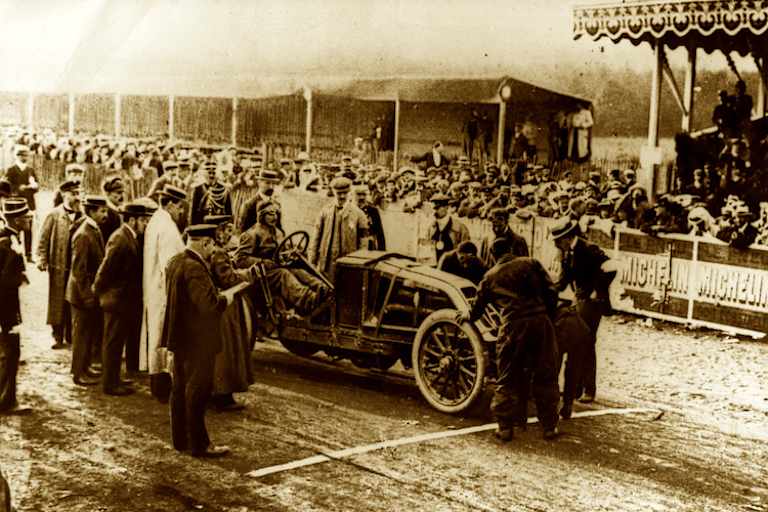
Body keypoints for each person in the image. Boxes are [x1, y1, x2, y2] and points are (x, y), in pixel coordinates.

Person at [457, 238, 560, 441]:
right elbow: (551, 291)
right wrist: (545, 314)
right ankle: (549, 427)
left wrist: (467, 315)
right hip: (540, 323)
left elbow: (477, 308)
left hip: (513, 327)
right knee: (545, 374)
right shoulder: (531, 263)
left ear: (493, 255)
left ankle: (505, 428)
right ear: (511, 250)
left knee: (507, 376)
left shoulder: (490, 276)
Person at [162, 224, 234, 458]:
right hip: (198, 341)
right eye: (212, 246)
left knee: (179, 388)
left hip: (180, 337)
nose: (213, 251)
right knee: (198, 391)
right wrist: (225, 299)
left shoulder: (175, 262)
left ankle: (180, 440)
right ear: (205, 243)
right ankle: (200, 444)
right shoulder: (195, 268)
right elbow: (208, 306)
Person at [551, 218, 616, 404]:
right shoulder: (567, 253)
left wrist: (598, 290)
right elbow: (563, 280)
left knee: (586, 343)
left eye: (558, 241)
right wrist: (549, 289)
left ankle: (589, 389)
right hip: (580, 300)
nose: (556, 245)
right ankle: (575, 388)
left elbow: (611, 268)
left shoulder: (588, 249)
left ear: (566, 238)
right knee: (575, 342)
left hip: (592, 303)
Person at [93, 201, 155, 396]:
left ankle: (115, 379)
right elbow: (105, 270)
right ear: (132, 220)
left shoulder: (129, 236)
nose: (145, 224)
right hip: (116, 300)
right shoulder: (120, 239)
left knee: (117, 342)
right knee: (112, 342)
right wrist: (98, 291)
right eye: (143, 220)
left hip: (122, 300)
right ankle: (110, 384)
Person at [236, 201, 328, 316]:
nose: (274, 217)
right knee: (283, 274)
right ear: (261, 215)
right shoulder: (252, 234)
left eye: (275, 213)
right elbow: (240, 259)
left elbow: (284, 248)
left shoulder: (278, 232)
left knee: (298, 271)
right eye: (270, 214)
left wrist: (293, 251)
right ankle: (309, 299)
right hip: (261, 275)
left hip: (277, 267)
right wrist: (264, 262)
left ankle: (323, 289)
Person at [140, 185, 186, 402]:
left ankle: (159, 384)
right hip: (163, 291)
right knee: (162, 338)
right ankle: (162, 388)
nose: (181, 211)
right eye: (179, 206)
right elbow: (171, 265)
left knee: (157, 337)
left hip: (155, 288)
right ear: (170, 204)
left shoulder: (157, 221)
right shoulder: (166, 227)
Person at [206, 214, 255, 411]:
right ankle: (223, 396)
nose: (230, 235)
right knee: (227, 351)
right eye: (227, 230)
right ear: (218, 232)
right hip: (226, 308)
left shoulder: (213, 250)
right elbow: (227, 279)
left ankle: (216, 392)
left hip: (219, 306)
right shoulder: (219, 253)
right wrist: (248, 275)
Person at [66, 196, 109, 387]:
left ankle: (85, 366)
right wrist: (87, 296)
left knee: (88, 332)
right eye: (102, 211)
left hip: (88, 291)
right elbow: (78, 271)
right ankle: (77, 372)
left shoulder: (92, 229)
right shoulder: (83, 234)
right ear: (91, 211)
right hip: (80, 294)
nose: (106, 215)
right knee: (81, 334)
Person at [37, 180, 82, 349]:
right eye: (73, 194)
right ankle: (57, 335)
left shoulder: (82, 215)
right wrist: (42, 258)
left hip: (75, 265)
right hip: (58, 265)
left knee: (74, 299)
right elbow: (43, 238)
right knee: (57, 301)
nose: (77, 197)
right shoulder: (54, 215)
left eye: (78, 193)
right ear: (64, 195)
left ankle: (71, 335)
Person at [308, 177, 369, 281]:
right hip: (327, 262)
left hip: (349, 262)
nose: (342, 196)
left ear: (349, 192)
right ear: (333, 192)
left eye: (345, 193)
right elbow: (316, 237)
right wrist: (312, 260)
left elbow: (363, 243)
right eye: (339, 193)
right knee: (325, 286)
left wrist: (360, 264)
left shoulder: (359, 214)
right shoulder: (325, 211)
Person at [0, 205, 28, 414]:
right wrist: (20, 278)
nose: (29, 220)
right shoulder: (7, 243)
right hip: (6, 308)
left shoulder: (10, 238)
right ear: (17, 220)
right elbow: (5, 281)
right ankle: (6, 400)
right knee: (11, 352)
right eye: (26, 217)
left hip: (7, 307)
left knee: (9, 352)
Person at [3, 145, 39, 260]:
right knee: (15, 229)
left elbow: (37, 186)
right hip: (15, 205)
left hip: (28, 204)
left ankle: (28, 254)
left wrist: (32, 187)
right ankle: (15, 254)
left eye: (26, 155)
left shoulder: (30, 170)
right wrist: (18, 189)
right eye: (22, 155)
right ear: (17, 156)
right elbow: (5, 187)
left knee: (29, 230)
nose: (24, 157)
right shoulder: (11, 170)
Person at [427, 193, 469, 263]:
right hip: (434, 265)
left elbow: (466, 252)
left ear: (446, 207)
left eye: (438, 208)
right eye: (434, 209)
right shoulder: (431, 227)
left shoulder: (460, 228)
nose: (435, 211)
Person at [189, 161, 232, 225]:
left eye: (213, 173)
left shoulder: (224, 189)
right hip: (201, 225)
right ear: (204, 174)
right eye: (209, 173)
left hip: (218, 226)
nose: (211, 175)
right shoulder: (197, 189)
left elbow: (228, 213)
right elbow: (193, 213)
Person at [354, 184, 385, 250]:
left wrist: (381, 251)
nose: (361, 197)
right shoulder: (350, 210)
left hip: (369, 246)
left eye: (364, 194)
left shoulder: (373, 210)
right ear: (353, 195)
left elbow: (379, 232)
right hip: (353, 245)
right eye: (359, 194)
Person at [100, 175, 125, 242]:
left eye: (123, 192)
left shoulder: (119, 211)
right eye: (118, 193)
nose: (122, 196)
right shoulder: (106, 213)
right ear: (107, 193)